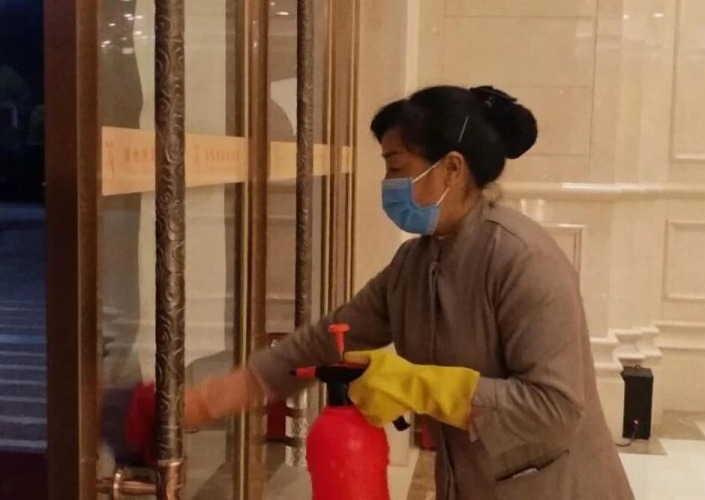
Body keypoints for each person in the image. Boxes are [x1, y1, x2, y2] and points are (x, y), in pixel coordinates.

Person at [126, 85, 634, 499]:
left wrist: (418, 385)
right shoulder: (415, 263)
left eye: (397, 166)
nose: (388, 183)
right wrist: (213, 399)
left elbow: (555, 408)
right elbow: (326, 340)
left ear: (451, 169)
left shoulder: (523, 260)